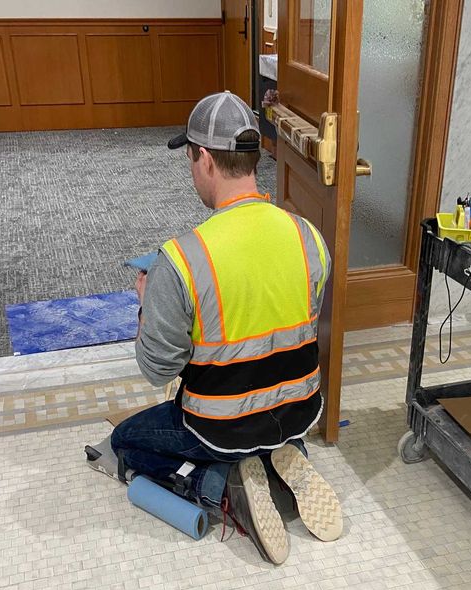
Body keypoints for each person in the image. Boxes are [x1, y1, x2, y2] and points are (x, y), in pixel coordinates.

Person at [87, 91, 342, 565]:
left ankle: (220, 482)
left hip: (218, 426)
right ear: (251, 157)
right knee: (267, 424)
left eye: (188, 157)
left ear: (204, 158)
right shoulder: (309, 236)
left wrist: (148, 305)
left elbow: (158, 369)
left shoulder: (181, 259)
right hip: (298, 409)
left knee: (125, 442)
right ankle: (287, 458)